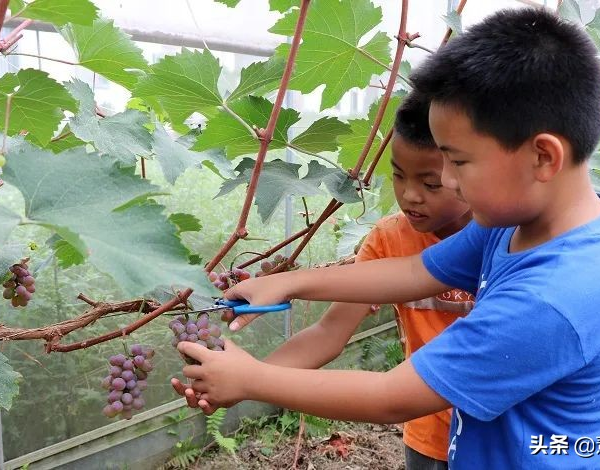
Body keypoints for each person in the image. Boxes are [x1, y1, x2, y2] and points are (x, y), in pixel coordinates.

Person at [175, 8, 600, 469]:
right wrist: (289, 282)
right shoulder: (522, 224)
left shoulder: (552, 298)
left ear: (543, 157)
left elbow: (390, 397)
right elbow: (416, 271)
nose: (449, 181)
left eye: (458, 162)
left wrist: (251, 379)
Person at [173, 90, 473, 470]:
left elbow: (389, 397)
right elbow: (329, 332)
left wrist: (252, 378)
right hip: (428, 435)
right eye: (398, 175)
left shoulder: (508, 244)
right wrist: (241, 377)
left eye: (431, 184)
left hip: (502, 432)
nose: (410, 195)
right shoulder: (390, 240)